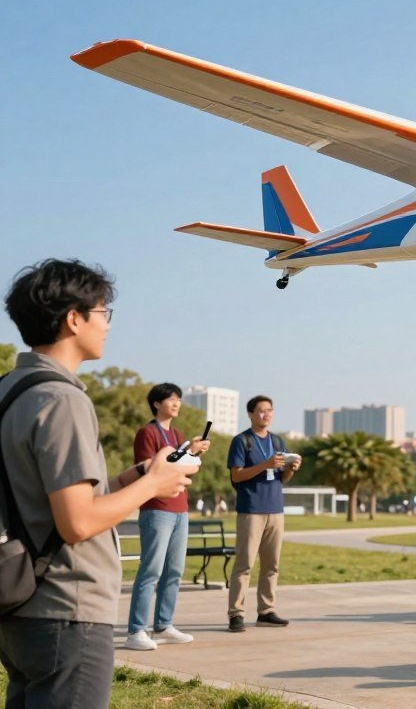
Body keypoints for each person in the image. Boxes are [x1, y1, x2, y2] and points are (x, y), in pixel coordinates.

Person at [0, 259, 196, 709]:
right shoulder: (62, 398)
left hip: (19, 606)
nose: (107, 326)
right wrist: (153, 486)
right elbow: (78, 521)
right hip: (66, 608)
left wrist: (135, 477)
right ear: (74, 318)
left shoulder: (10, 390)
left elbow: (47, 496)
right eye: (103, 313)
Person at [125, 383, 210, 650]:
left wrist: (192, 454)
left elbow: (185, 470)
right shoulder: (147, 433)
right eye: (170, 399)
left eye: (178, 399)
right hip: (157, 508)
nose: (176, 403)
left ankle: (163, 624)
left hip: (180, 508)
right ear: (156, 404)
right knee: (151, 569)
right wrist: (188, 454)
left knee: (175, 570)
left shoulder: (177, 434)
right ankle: (136, 631)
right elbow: (149, 469)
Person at [227, 395, 300, 632]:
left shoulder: (277, 442)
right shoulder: (242, 441)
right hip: (251, 509)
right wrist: (265, 465)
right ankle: (236, 613)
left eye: (269, 410)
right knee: (244, 564)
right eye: (260, 411)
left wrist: (289, 469)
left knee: (272, 565)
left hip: (275, 509)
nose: (266, 414)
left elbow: (282, 478)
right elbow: (236, 475)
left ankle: (266, 610)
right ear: (250, 414)